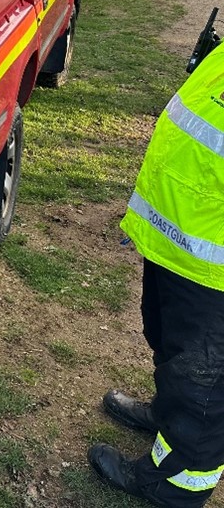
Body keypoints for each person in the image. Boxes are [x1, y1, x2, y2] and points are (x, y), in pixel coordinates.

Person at [89, 42, 224, 508]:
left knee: (203, 380)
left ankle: (177, 483)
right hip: (182, 244)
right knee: (172, 348)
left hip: (215, 270)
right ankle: (168, 419)